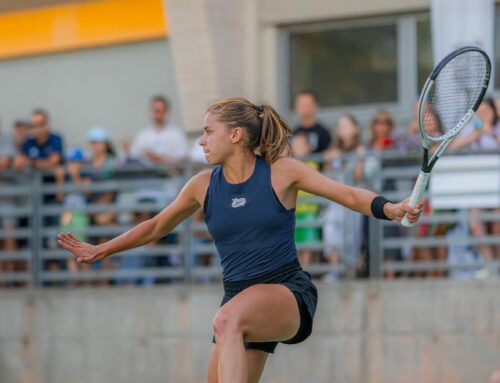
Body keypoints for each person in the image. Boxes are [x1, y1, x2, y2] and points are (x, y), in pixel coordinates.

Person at [58, 97, 422, 383]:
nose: (200, 140)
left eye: (207, 131)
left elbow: (346, 194)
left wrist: (390, 208)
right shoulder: (201, 185)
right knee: (228, 326)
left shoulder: (281, 171)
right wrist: (102, 248)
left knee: (225, 321)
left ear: (235, 134)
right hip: (237, 297)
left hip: (286, 291)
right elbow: (156, 226)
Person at [127, 95, 189, 165]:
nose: (156, 114)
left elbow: (183, 158)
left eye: (159, 111)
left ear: (166, 112)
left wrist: (158, 159)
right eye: (154, 110)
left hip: (169, 173)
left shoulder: (176, 134)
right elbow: (134, 155)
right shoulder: (142, 134)